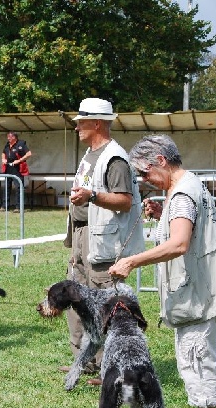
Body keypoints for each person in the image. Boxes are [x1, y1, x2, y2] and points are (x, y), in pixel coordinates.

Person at [109, 134, 216, 408]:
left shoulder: (182, 193)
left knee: (197, 362)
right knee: (196, 360)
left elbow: (180, 243)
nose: (144, 181)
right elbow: (189, 231)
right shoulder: (190, 184)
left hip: (197, 296)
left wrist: (131, 261)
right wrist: (163, 217)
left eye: (145, 173)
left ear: (161, 160)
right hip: (202, 291)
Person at [62, 97, 144, 385]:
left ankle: (108, 367)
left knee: (107, 305)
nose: (76, 128)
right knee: (77, 295)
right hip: (83, 234)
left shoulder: (115, 159)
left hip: (104, 241)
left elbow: (124, 201)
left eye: (81, 122)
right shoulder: (89, 155)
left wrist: (92, 196)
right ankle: (82, 361)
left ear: (96, 123)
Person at [0, 131, 32, 211]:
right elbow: (3, 152)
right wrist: (3, 159)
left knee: (18, 187)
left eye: (9, 137)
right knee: (6, 187)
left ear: (14, 137)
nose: (8, 139)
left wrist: (19, 160)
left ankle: (18, 207)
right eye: (8, 137)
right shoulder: (7, 145)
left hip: (17, 168)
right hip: (8, 167)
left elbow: (29, 154)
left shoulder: (21, 144)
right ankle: (5, 206)